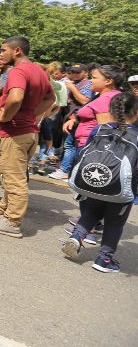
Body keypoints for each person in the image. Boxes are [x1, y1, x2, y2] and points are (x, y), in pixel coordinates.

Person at [0, 36, 55, 238]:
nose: (0, 54)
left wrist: (6, 115)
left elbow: (15, 97)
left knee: (14, 178)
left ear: (17, 51)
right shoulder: (38, 70)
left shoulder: (18, 71)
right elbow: (51, 98)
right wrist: (31, 114)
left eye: (3, 50)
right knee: (9, 173)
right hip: (27, 131)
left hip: (14, 133)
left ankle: (12, 221)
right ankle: (3, 208)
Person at [61, 92, 137, 273]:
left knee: (91, 212)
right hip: (121, 190)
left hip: (92, 183)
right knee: (114, 223)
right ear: (136, 112)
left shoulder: (99, 129)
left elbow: (83, 153)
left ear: (110, 110)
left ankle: (76, 237)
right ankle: (104, 260)